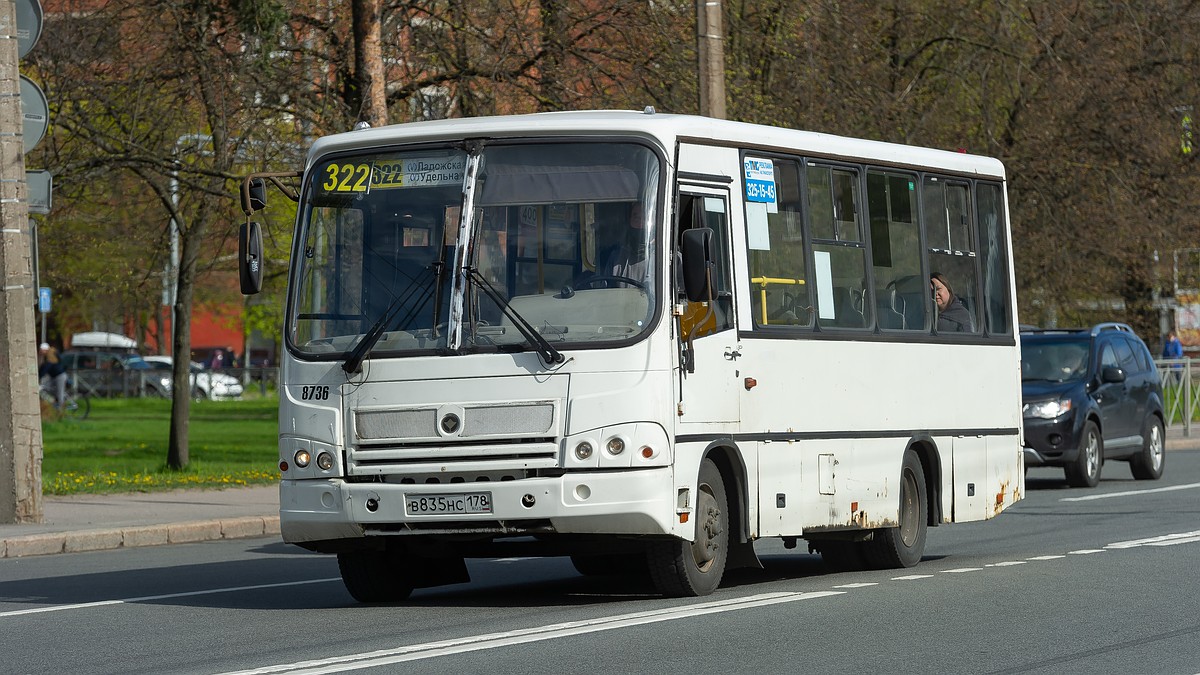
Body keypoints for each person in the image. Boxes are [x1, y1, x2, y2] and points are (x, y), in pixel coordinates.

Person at [38, 342, 67, 409]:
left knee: (60, 392)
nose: (40, 351)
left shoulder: (50, 356)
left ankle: (60, 409)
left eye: (41, 350)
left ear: (44, 350)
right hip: (53, 376)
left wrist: (39, 376)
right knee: (46, 387)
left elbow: (46, 368)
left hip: (60, 376)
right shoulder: (46, 356)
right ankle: (58, 400)